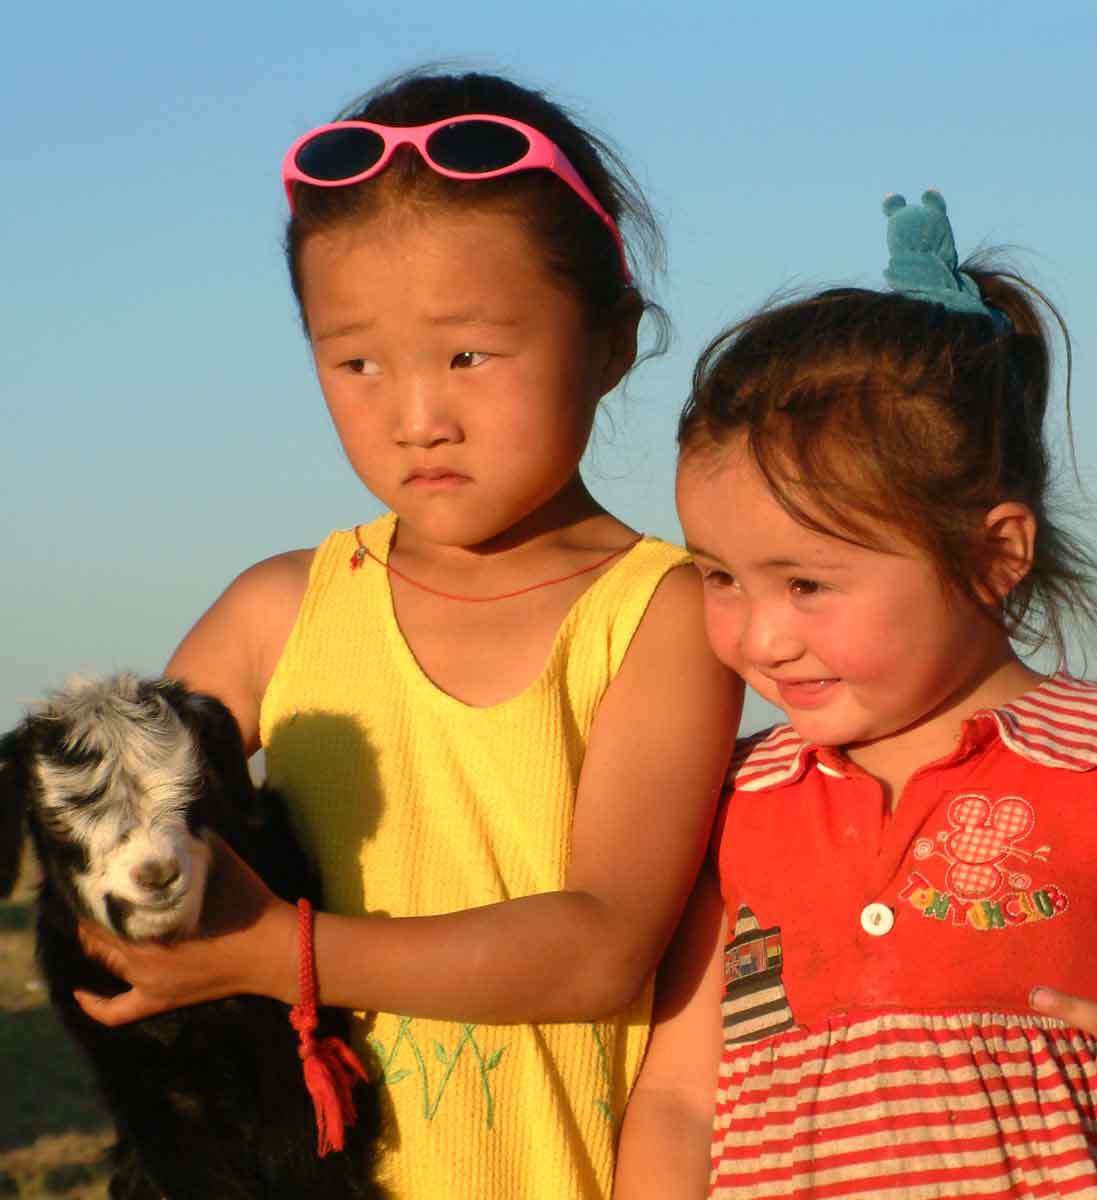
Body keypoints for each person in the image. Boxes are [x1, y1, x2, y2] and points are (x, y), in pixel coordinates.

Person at [73, 68, 743, 1200]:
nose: (417, 416)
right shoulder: (276, 614)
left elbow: (598, 950)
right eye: (357, 362)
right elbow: (108, 865)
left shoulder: (662, 616)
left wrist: (274, 951)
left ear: (613, 341)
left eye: (469, 355)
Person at [613, 190, 1097, 1199]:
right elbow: (678, 1102)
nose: (760, 637)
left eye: (806, 584)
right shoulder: (739, 801)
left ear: (992, 555)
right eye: (720, 578)